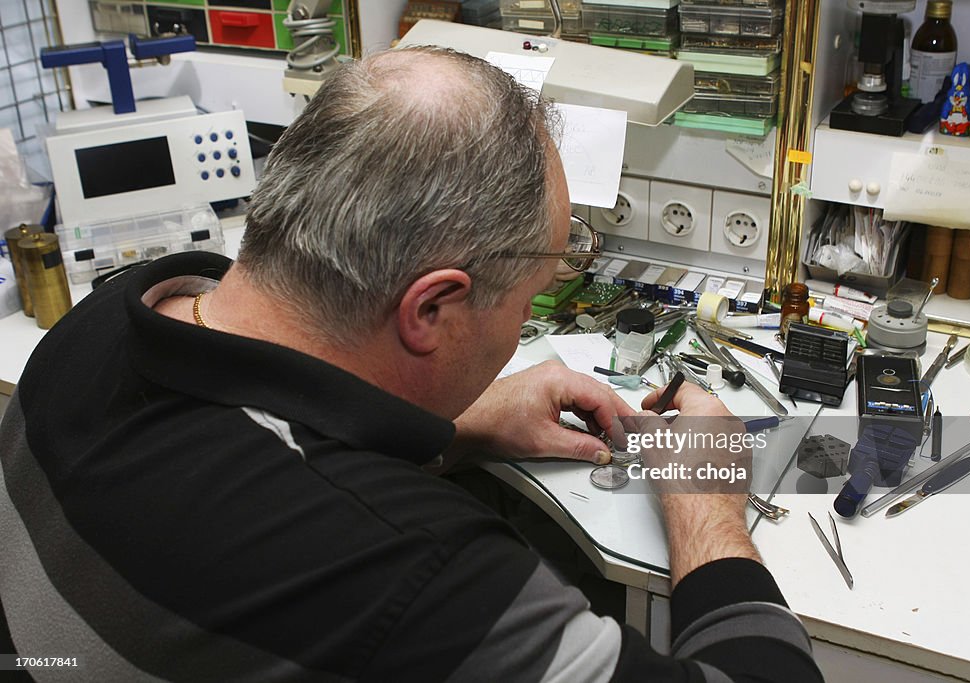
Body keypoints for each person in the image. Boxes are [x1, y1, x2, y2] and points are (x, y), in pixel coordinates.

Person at [0, 47, 822, 681]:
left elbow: (251, 461)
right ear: (431, 309)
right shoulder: (416, 574)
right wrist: (706, 502)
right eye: (536, 289)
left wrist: (459, 422)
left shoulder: (108, 318)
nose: (527, 318)